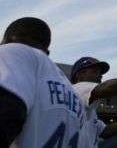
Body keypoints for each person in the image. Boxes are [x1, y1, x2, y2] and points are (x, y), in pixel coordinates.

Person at [0, 17, 88, 147]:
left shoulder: (14, 52)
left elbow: (7, 111)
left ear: (8, 39)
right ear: (47, 51)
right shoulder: (73, 94)